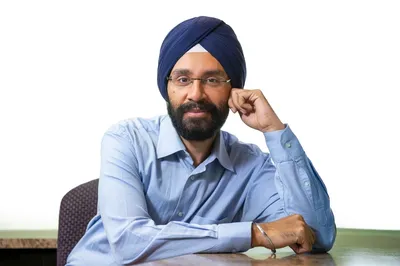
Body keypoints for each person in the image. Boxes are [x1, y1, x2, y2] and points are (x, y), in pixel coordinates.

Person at [66, 16, 336, 265]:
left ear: (234, 90)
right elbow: (128, 242)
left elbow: (316, 235)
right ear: (167, 87)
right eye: (183, 79)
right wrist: (253, 234)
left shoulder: (251, 168)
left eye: (212, 80)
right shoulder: (126, 140)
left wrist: (274, 130)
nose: (196, 94)